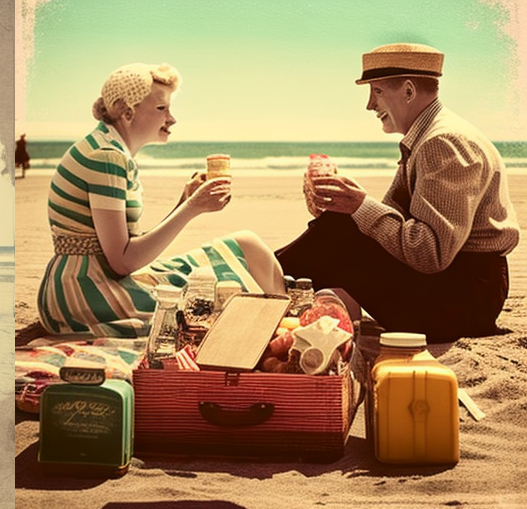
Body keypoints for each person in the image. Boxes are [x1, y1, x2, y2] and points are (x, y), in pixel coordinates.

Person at [276, 43, 519, 342]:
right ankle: (269, 281)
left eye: (377, 91)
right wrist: (342, 206)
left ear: (408, 91)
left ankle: (262, 284)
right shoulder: (428, 136)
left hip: (463, 298)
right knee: (342, 226)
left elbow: (430, 254)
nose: (369, 104)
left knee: (341, 229)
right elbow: (390, 222)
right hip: (462, 287)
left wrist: (359, 207)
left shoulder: (443, 142)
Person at [37, 62, 284, 338]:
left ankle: (285, 323)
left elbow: (124, 252)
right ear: (127, 112)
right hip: (87, 293)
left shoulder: (109, 148)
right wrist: (192, 209)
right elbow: (122, 261)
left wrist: (184, 202)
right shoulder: (107, 157)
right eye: (161, 108)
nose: (171, 118)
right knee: (209, 305)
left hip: (93, 280)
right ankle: (286, 329)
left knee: (245, 244)